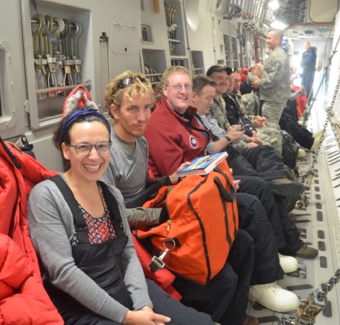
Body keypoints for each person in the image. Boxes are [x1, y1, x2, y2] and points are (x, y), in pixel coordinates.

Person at [145, 65, 315, 313]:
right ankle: (263, 281)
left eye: (186, 86)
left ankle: (272, 253)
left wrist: (221, 175)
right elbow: (177, 177)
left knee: (258, 186)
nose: (183, 91)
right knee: (252, 204)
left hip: (208, 181)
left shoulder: (186, 116)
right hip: (189, 197)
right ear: (164, 91)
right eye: (177, 87)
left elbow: (205, 151)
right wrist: (220, 180)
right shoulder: (161, 124)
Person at [27, 107, 215, 324]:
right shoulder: (47, 196)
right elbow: (63, 272)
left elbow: (127, 252)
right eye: (83, 147)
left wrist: (143, 305)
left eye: (102, 146)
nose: (94, 156)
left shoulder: (111, 194)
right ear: (66, 150)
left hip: (121, 286)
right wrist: (126, 317)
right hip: (80, 307)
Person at [100, 70, 258, 325]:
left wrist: (168, 182)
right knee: (223, 279)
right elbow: (109, 215)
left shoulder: (139, 141)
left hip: (149, 212)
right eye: (132, 110)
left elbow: (143, 186)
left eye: (147, 109)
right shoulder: (104, 152)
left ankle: (235, 317)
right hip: (134, 232)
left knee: (242, 242)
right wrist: (162, 214)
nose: (142, 118)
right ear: (115, 111)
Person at [251, 30, 290, 125]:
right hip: (272, 97)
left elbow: (273, 79)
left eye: (269, 38)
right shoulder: (276, 55)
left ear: (277, 40)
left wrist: (258, 83)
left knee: (269, 126)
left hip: (274, 99)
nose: (267, 40)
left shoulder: (279, 57)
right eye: (266, 38)